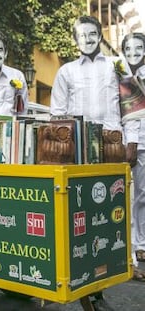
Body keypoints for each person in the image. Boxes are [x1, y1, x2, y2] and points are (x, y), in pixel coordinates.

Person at [50, 15, 134, 310]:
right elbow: (58, 114)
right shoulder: (65, 71)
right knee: (78, 218)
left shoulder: (117, 67)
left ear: (100, 35)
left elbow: (132, 108)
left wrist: (130, 142)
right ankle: (84, 289)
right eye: (81, 35)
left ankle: (102, 284)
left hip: (111, 147)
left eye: (92, 33)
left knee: (111, 215)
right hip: (77, 150)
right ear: (74, 39)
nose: (86, 39)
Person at [121, 32, 145, 282]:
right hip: (128, 142)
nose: (133, 52)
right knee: (127, 198)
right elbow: (130, 114)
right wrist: (131, 142)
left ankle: (141, 244)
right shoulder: (120, 75)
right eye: (129, 48)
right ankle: (129, 255)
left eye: (138, 48)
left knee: (143, 196)